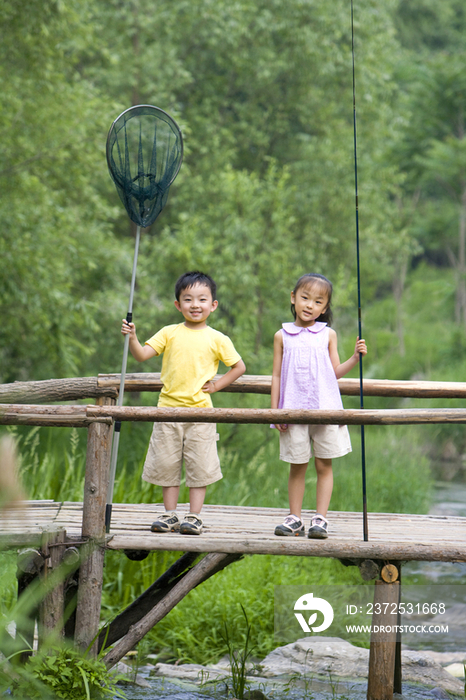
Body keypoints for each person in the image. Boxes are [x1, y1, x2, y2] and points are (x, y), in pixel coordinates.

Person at [121, 271, 246, 535]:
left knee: (199, 465)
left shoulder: (217, 338)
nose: (195, 305)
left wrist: (216, 385)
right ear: (178, 305)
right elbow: (142, 355)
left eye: (202, 299)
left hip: (201, 412)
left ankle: (194, 515)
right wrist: (132, 337)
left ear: (213, 305)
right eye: (188, 299)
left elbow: (238, 366)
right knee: (167, 464)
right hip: (167, 410)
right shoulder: (169, 333)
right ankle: (169, 514)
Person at [271, 273, 367, 539]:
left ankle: (320, 519)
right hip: (293, 409)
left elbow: (334, 371)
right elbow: (277, 375)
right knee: (297, 465)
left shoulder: (328, 335)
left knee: (324, 466)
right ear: (293, 298)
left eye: (317, 301)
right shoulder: (282, 335)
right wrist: (275, 409)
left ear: (324, 308)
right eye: (304, 298)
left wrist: (354, 358)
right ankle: (294, 518)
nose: (309, 305)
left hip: (325, 408)